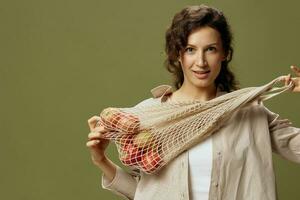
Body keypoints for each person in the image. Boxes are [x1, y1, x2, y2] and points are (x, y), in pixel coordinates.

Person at [86, 4, 300, 200]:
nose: (201, 62)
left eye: (211, 49)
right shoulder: (149, 115)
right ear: (178, 54)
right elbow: (145, 193)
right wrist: (101, 161)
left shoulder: (250, 113)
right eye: (190, 50)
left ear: (224, 53)